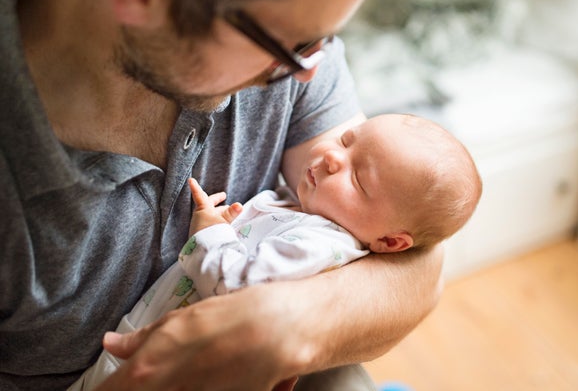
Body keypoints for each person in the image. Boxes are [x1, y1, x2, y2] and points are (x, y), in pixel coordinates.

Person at [0, 0, 447, 390]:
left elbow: (418, 261)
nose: (308, 73)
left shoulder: (265, 28)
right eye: (294, 45)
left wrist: (277, 328)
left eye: (322, 38)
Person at [70, 113, 482, 390]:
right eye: (346, 141)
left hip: (168, 366)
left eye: (358, 178)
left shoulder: (321, 246)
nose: (334, 157)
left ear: (390, 242)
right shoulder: (307, 206)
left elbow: (239, 288)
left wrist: (211, 233)